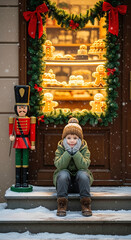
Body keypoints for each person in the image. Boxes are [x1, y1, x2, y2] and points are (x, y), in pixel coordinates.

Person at [53, 117, 94, 217]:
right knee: (63, 173)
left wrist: (76, 152)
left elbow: (84, 165)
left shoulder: (84, 149)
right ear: (64, 139)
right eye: (69, 138)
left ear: (80, 139)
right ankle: (62, 203)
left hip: (80, 185)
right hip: (64, 184)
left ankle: (85, 203)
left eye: (75, 138)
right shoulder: (60, 149)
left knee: (83, 174)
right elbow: (59, 165)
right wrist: (67, 152)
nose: (72, 141)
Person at [9, 85, 36, 192]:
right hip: (17, 141)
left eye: (24, 108)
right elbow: (11, 131)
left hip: (26, 141)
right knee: (17, 161)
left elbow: (32, 132)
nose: (22, 110)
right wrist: (11, 136)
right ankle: (18, 181)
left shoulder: (30, 119)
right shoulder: (14, 119)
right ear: (16, 109)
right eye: (20, 108)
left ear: (27, 109)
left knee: (25, 161)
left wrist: (33, 143)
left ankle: (25, 181)